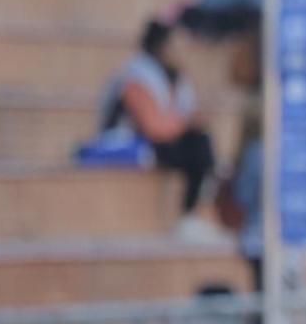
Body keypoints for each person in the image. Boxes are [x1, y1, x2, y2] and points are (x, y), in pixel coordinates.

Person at [96, 18, 224, 242]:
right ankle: (188, 217)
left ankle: (194, 213)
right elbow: (153, 126)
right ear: (162, 47)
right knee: (197, 145)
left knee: (200, 144)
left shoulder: (176, 78)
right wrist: (187, 124)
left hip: (160, 142)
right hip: (129, 144)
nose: (183, 52)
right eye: (176, 45)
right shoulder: (137, 76)